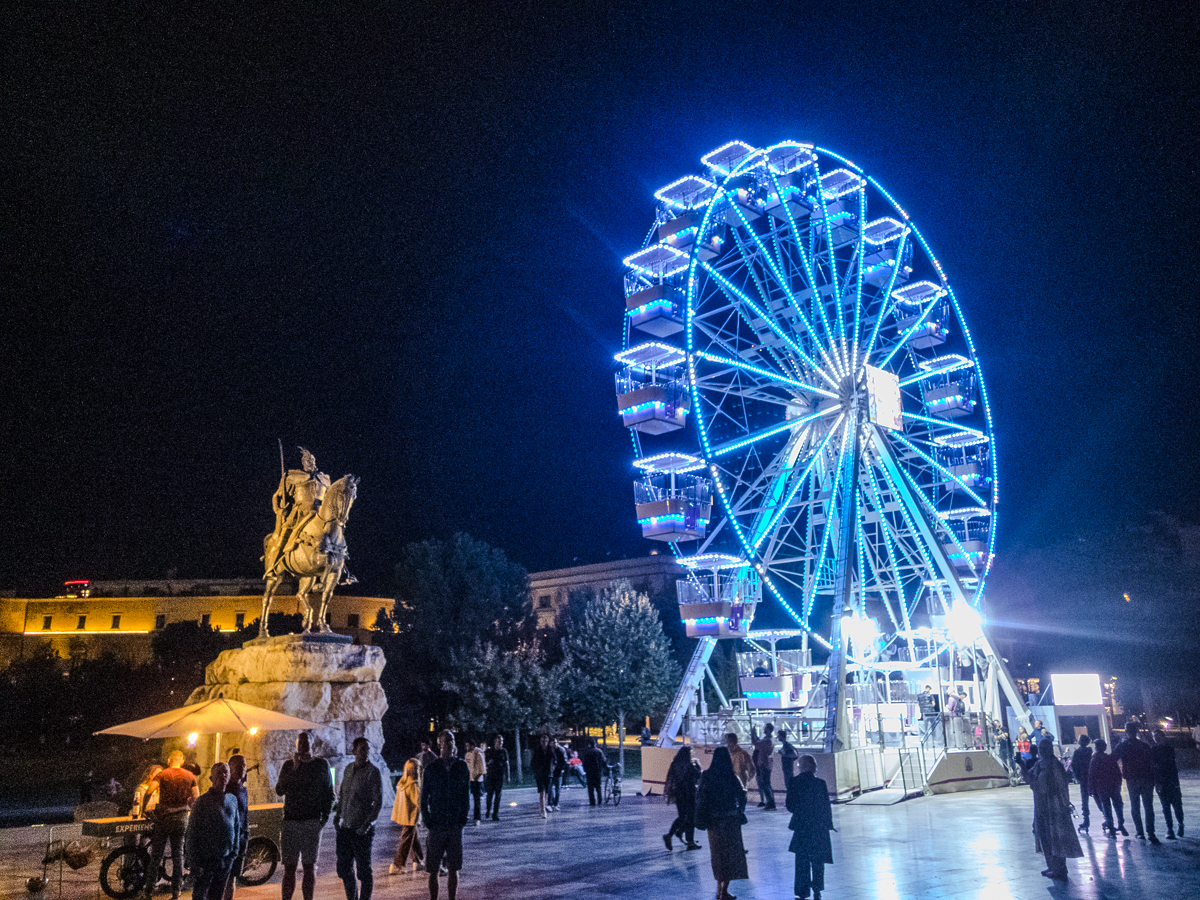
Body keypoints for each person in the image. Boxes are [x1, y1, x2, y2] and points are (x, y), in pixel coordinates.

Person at [275, 732, 334, 900]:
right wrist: (293, 769)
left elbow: (329, 793)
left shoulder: (321, 765)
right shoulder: (288, 766)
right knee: (289, 867)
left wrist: (323, 819)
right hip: (291, 822)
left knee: (309, 866)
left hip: (312, 822)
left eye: (306, 743)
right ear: (296, 745)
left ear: (312, 744)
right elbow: (279, 790)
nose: (303, 746)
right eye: (300, 743)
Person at [1021, 738, 1083, 881]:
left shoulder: (1054, 766)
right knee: (1044, 836)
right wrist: (1022, 766)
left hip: (1054, 807)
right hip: (1042, 806)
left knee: (1056, 837)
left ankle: (1060, 868)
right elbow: (1030, 779)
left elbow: (1055, 786)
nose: (1042, 751)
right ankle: (1052, 866)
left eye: (1045, 748)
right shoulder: (1039, 765)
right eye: (1041, 748)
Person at [264, 447, 330, 577]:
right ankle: (273, 566)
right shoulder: (293, 477)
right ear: (303, 463)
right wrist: (278, 509)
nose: (310, 463)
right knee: (284, 534)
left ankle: (342, 569)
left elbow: (329, 498)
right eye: (307, 461)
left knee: (335, 537)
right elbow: (276, 496)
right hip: (300, 513)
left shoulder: (325, 478)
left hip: (320, 514)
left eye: (312, 461)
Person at [420, 730, 469, 900]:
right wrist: (427, 819)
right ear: (439, 744)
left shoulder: (461, 766)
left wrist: (463, 817)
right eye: (446, 741)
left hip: (455, 823)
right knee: (433, 868)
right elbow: (424, 795)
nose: (449, 744)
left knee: (454, 867)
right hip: (437, 823)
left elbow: (465, 794)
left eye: (452, 740)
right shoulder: (432, 768)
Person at [694, 747, 748, 900]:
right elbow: (741, 795)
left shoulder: (707, 775)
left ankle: (719, 889)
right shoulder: (731, 776)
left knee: (717, 855)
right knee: (730, 855)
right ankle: (724, 890)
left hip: (714, 822)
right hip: (730, 821)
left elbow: (701, 796)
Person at [145, 750, 199, 900]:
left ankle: (149, 890)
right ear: (181, 761)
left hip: (163, 819)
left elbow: (149, 790)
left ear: (169, 760)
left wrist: (145, 808)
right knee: (178, 856)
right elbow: (197, 797)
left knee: (156, 856)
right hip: (182, 819)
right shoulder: (190, 776)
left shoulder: (162, 775)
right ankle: (176, 891)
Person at [334, 737, 382, 900]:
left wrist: (367, 825)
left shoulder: (373, 772)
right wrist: (338, 815)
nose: (365, 751)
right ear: (354, 751)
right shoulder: (348, 769)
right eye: (362, 748)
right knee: (344, 869)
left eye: (367, 749)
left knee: (364, 871)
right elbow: (342, 795)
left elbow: (378, 802)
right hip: (346, 828)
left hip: (362, 830)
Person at [186, 762, 241, 900]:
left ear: (229, 777)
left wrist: (234, 852)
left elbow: (236, 826)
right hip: (206, 860)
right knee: (199, 895)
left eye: (226, 773)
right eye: (219, 773)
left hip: (225, 859)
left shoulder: (232, 800)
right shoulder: (201, 803)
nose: (223, 776)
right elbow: (192, 833)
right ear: (211, 778)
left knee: (216, 895)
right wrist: (194, 862)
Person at [786, 755, 834, 900]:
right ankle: (817, 889)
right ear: (814, 767)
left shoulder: (794, 782)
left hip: (802, 826)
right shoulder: (820, 783)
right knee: (818, 860)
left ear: (800, 766)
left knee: (802, 860)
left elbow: (790, 806)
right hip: (818, 826)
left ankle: (802, 891)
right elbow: (826, 806)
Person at [1112, 722, 1158, 843]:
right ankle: (1151, 832)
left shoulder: (1123, 746)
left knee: (1135, 806)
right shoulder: (1144, 746)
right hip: (1146, 778)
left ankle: (1140, 832)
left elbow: (1112, 759)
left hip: (1132, 779)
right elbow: (1151, 763)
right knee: (1148, 807)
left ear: (1127, 732)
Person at [662, 746, 702, 851]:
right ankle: (690, 842)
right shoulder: (689, 766)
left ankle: (671, 834)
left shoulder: (675, 764)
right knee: (691, 818)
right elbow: (698, 775)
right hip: (689, 794)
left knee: (682, 817)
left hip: (679, 795)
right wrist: (697, 766)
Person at [222, 755, 250, 900]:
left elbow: (245, 815)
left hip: (239, 840)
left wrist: (245, 836)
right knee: (222, 877)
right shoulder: (224, 789)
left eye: (243, 766)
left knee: (232, 877)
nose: (242, 769)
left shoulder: (243, 790)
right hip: (225, 841)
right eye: (238, 766)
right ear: (230, 768)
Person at [389, 760, 424, 875]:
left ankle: (418, 860)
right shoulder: (414, 784)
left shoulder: (403, 782)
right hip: (411, 816)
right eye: (416, 768)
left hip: (405, 816)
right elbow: (419, 802)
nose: (417, 771)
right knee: (407, 840)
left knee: (413, 837)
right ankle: (398, 865)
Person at [1088, 739, 1126, 837]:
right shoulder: (1109, 758)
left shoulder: (1094, 759)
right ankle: (1120, 824)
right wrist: (1118, 784)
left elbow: (1092, 775)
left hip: (1102, 787)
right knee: (1118, 806)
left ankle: (1111, 827)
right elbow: (1117, 772)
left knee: (1106, 808)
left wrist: (1091, 788)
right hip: (1113, 786)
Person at [1151, 729, 1184, 839]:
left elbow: (1172, 767)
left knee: (1176, 805)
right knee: (1166, 807)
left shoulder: (1168, 749)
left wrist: (1175, 782)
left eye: (1158, 736)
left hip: (1169, 781)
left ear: (1162, 737)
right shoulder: (1154, 749)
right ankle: (1170, 828)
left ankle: (1180, 824)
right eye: (1155, 736)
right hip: (1162, 782)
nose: (1156, 738)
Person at [1070, 735, 1093, 833]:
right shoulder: (1089, 752)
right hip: (1091, 777)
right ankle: (1107, 818)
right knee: (1099, 798)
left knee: (1084, 800)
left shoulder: (1077, 752)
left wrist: (1077, 776)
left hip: (1083, 778)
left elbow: (1074, 765)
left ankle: (1086, 821)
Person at [751, 723, 776, 809]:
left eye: (765, 728)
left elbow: (755, 743)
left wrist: (752, 733)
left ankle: (770, 803)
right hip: (766, 764)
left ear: (768, 730)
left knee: (765, 784)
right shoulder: (768, 740)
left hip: (764, 764)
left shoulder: (767, 740)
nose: (764, 730)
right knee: (766, 784)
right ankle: (770, 802)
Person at [483, 735, 508, 821]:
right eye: (498, 741)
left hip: (499, 776)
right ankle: (488, 810)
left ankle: (495, 814)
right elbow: (485, 761)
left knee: (498, 796)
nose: (500, 743)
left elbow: (506, 764)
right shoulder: (490, 751)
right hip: (490, 776)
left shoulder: (504, 752)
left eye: (501, 741)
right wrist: (488, 763)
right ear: (495, 742)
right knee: (489, 795)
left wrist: (507, 776)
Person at [531, 733, 555, 819]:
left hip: (548, 774)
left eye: (546, 741)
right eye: (543, 741)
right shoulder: (537, 750)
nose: (544, 742)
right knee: (542, 792)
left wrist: (552, 769)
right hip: (539, 774)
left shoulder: (550, 750)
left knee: (546, 793)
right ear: (541, 742)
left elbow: (554, 760)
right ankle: (543, 810)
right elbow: (533, 762)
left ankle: (543, 806)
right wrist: (536, 771)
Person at [462, 739, 486, 824]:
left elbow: (482, 769)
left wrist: (477, 777)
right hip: (469, 779)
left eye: (468, 745)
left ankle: (477, 817)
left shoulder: (479, 754)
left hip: (477, 780)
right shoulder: (467, 754)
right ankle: (465, 815)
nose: (466, 747)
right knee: (466, 798)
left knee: (477, 800)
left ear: (472, 746)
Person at [581, 739, 606, 807]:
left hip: (589, 772)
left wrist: (585, 770)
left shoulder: (587, 752)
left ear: (589, 744)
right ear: (595, 744)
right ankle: (599, 800)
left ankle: (592, 801)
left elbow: (585, 762)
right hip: (598, 771)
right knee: (598, 787)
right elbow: (604, 761)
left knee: (590, 788)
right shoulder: (599, 751)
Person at [549, 738, 568, 811]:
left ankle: (555, 803)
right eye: (553, 742)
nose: (554, 744)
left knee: (557, 790)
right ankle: (552, 803)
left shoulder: (560, 750)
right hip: (551, 772)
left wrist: (561, 769)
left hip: (558, 772)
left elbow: (564, 760)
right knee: (550, 789)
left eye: (555, 742)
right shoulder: (549, 751)